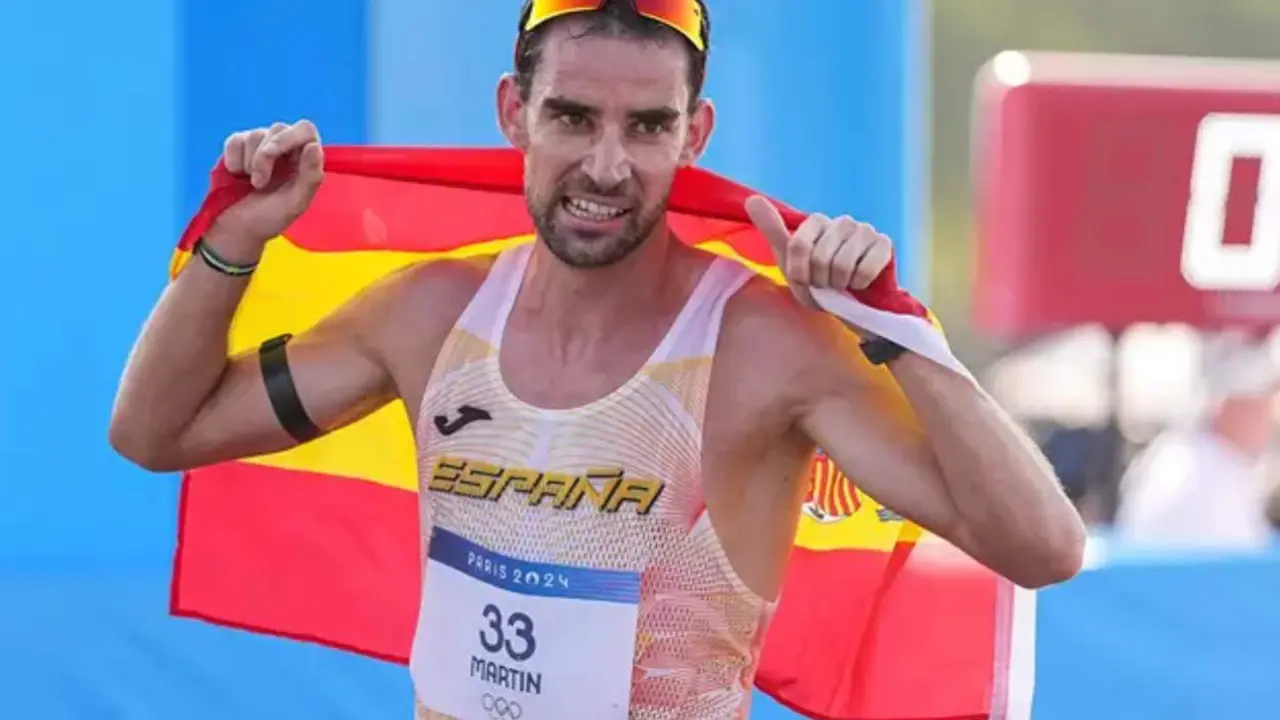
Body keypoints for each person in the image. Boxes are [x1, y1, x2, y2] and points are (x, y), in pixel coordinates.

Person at [108, 1, 1084, 716]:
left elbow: (1042, 550)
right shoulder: (429, 314)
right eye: (573, 117)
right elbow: (155, 433)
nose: (607, 166)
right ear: (512, 113)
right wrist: (231, 243)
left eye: (648, 126)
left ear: (692, 134)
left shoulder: (762, 346)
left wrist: (896, 332)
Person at [1116, 334, 1278, 550]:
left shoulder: (1202, 457)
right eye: (1262, 404)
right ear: (1228, 408)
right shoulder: (1196, 470)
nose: (1269, 419)